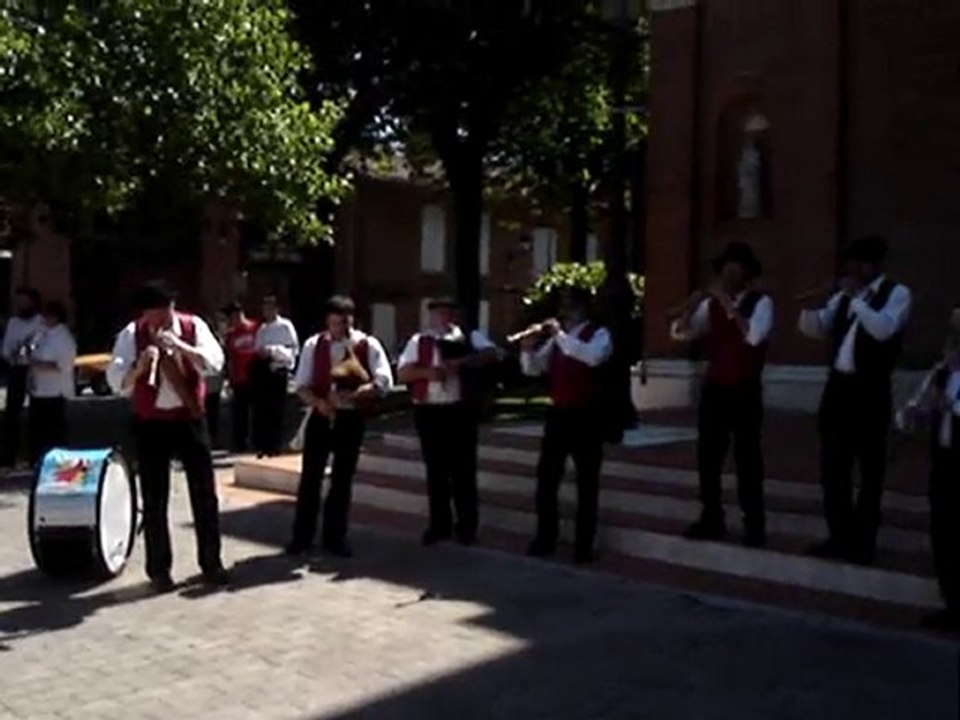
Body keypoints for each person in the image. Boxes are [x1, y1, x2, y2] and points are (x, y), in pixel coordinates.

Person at [106, 281, 229, 592]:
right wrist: (140, 366)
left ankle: (211, 564)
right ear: (145, 314)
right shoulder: (131, 334)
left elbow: (215, 363)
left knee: (204, 494)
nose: (161, 321)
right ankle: (159, 569)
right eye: (155, 316)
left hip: (189, 419)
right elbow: (117, 381)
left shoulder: (193, 326)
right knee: (154, 496)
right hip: (151, 422)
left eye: (166, 313)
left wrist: (182, 348)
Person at [798, 235, 912, 565]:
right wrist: (812, 306)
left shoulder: (897, 294)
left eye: (860, 263)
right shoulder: (844, 298)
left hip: (870, 390)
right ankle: (839, 536)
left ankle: (863, 543)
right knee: (833, 467)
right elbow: (816, 329)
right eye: (851, 262)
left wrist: (857, 300)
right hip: (838, 389)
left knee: (870, 469)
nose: (853, 269)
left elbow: (883, 330)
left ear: (875, 265)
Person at [671, 242, 773, 547]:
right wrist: (690, 308)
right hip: (715, 387)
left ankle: (754, 524)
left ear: (747, 272)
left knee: (747, 458)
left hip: (745, 388)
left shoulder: (761, 302)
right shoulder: (710, 305)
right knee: (708, 457)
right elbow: (681, 332)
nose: (729, 272)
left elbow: (753, 337)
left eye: (736, 266)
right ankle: (711, 517)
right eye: (725, 266)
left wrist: (729, 307)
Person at [286, 296, 393, 558]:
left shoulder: (367, 344)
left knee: (342, 480)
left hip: (350, 417)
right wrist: (319, 403)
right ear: (328, 321)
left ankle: (335, 537)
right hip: (322, 416)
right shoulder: (314, 344)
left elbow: (384, 381)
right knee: (310, 478)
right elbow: (301, 384)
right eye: (336, 323)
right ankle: (302, 537)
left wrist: (358, 393)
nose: (341, 329)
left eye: (346, 322)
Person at [397, 297, 500, 547]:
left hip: (459, 409)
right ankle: (439, 525)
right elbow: (402, 373)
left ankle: (467, 527)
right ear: (430, 316)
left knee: (464, 471)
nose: (442, 318)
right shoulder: (418, 341)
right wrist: (426, 373)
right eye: (437, 313)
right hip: (429, 410)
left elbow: (491, 353)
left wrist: (461, 362)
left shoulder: (468, 336)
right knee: (436, 471)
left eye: (446, 313)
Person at [520, 287, 613, 564]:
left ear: (583, 308)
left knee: (587, 481)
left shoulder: (599, 334)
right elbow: (535, 369)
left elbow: (591, 357)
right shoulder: (558, 340)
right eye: (563, 305)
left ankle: (583, 545)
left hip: (587, 415)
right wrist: (527, 349)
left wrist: (558, 334)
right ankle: (545, 537)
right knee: (547, 478)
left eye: (571, 305)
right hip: (559, 414)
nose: (565, 310)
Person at [896, 303, 960, 632]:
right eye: (953, 332)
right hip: (945, 461)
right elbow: (914, 410)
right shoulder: (942, 372)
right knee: (944, 532)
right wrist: (912, 414)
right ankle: (951, 601)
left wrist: (949, 405)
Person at [27, 301, 76, 466]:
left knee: (54, 431)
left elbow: (64, 364)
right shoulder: (44, 335)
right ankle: (37, 461)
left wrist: (38, 364)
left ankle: (58, 462)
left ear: (54, 318)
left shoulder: (64, 338)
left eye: (46, 316)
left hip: (55, 392)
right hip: (39, 390)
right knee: (37, 431)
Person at [251, 295, 299, 457]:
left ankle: (275, 446)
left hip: (279, 369)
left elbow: (292, 350)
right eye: (265, 308)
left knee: (277, 410)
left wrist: (274, 351)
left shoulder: (285, 326)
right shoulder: (262, 329)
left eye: (270, 308)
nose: (267, 311)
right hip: (265, 372)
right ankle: (263, 445)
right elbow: (257, 348)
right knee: (263, 410)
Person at [1, 287, 43, 469]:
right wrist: (11, 354)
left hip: (35, 370)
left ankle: (36, 457)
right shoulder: (13, 323)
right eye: (19, 302)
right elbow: (5, 347)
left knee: (37, 415)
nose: (22, 305)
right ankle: (8, 457)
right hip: (17, 369)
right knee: (11, 415)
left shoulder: (41, 323)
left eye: (25, 301)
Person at [223, 302, 259, 453]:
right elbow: (230, 358)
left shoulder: (256, 328)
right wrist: (229, 380)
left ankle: (258, 442)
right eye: (231, 317)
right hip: (239, 378)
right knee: (239, 413)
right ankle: (240, 443)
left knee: (257, 411)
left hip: (256, 376)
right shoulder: (231, 335)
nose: (234, 319)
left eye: (235, 315)